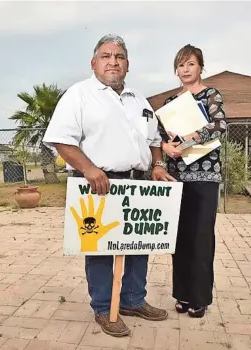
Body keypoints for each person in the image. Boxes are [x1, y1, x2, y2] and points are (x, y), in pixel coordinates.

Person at [42, 34, 174, 337]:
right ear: (94, 63)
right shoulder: (79, 95)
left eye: (119, 56)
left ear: (127, 64)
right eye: (106, 56)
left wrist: (157, 165)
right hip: (99, 183)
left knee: (139, 244)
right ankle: (104, 307)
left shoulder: (139, 99)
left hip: (137, 184)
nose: (113, 61)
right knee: (101, 248)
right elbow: (62, 139)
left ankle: (132, 300)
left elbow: (154, 140)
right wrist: (88, 168)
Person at [158, 44, 226, 318]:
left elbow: (220, 125)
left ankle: (200, 298)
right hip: (177, 177)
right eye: (181, 65)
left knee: (201, 237)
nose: (185, 70)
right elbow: (159, 136)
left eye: (191, 64)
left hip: (205, 178)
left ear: (200, 67)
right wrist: (165, 148)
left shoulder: (211, 95)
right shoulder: (169, 103)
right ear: (176, 69)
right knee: (180, 238)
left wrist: (187, 141)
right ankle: (183, 295)